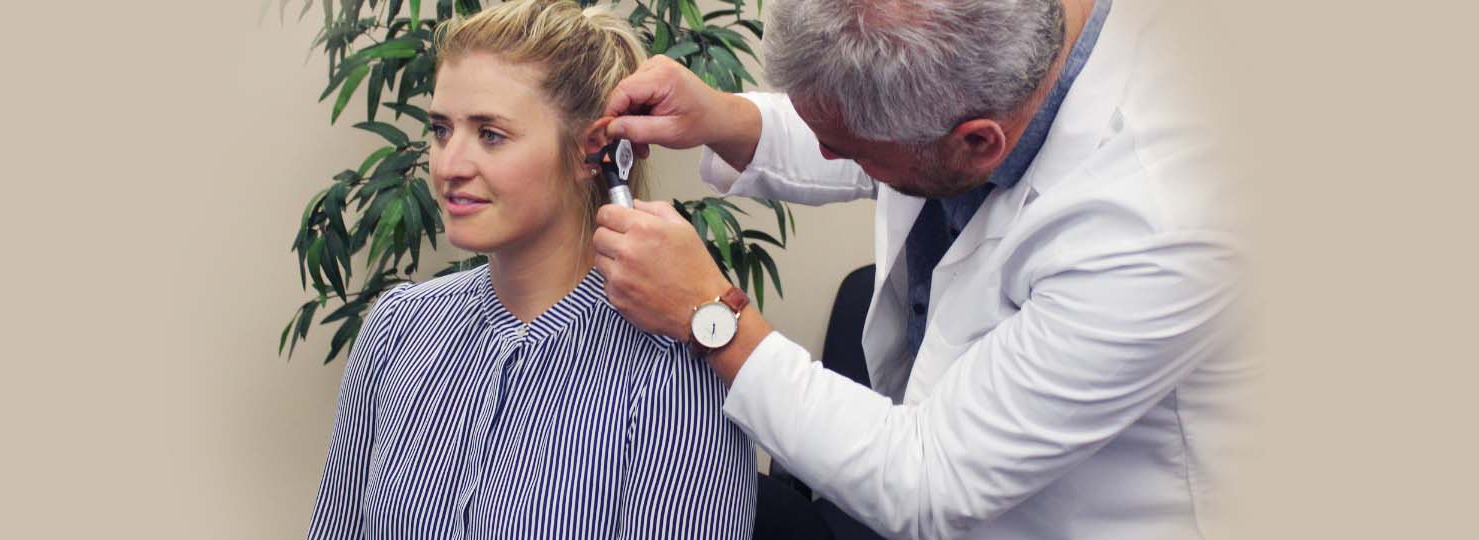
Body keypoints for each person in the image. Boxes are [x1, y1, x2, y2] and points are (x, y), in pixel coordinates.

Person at [590, 0, 1252, 538]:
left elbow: (930, 478)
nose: (829, 154)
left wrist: (712, 314)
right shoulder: (986, 62)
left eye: (846, 149)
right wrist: (724, 118)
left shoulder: (1155, 224)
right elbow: (877, 132)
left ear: (978, 142)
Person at [305, 1, 757, 538]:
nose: (448, 166)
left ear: (592, 151)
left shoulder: (674, 369)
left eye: (491, 134)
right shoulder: (397, 329)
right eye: (442, 130)